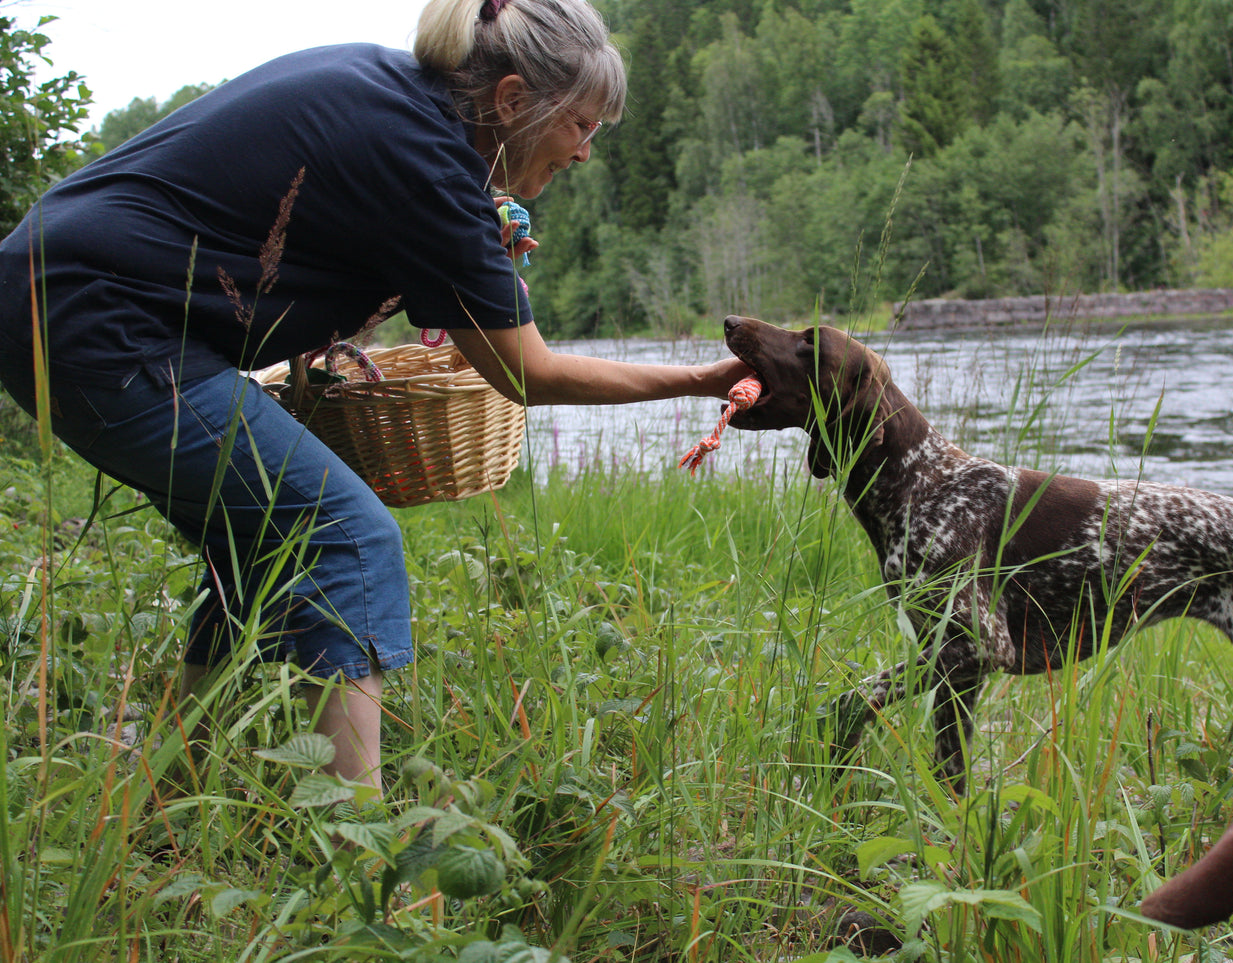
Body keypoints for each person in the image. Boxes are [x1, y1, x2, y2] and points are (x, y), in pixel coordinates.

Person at [0, 0, 750, 792]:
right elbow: (527, 372)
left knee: (260, 543)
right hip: (96, 321)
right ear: (510, 101)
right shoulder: (425, 160)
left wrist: (465, 239)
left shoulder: (396, 102)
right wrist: (700, 379)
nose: (587, 152)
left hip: (50, 294)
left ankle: (174, 786)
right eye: (582, 125)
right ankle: (355, 843)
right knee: (347, 534)